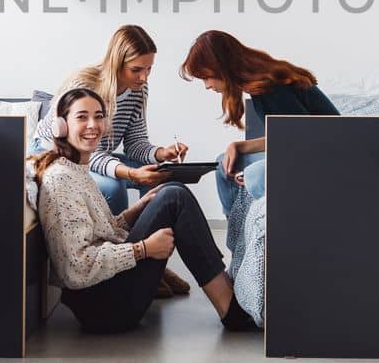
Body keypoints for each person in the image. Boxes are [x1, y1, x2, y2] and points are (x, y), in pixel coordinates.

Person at [31, 87, 258, 334]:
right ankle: (231, 309)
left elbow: (101, 233)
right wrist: (144, 249)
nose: (93, 124)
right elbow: (77, 268)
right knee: (174, 196)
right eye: (82, 117)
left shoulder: (75, 169)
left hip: (105, 294)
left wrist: (136, 210)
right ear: (61, 126)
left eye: (98, 116)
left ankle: (228, 293)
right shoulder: (62, 179)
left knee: (169, 190)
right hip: (103, 308)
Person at [180, 30, 339, 215]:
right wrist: (239, 146)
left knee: (255, 175)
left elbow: (303, 141)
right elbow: (284, 136)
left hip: (326, 155)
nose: (207, 85)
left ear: (221, 67)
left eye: (206, 77)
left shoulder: (272, 87)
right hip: (305, 148)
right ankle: (238, 235)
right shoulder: (258, 87)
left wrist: (250, 173)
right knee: (223, 162)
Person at [32, 25, 187, 215]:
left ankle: (146, 237)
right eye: (136, 70)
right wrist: (130, 173)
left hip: (94, 154)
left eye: (149, 69)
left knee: (160, 175)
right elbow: (81, 152)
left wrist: (162, 154)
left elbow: (135, 144)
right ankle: (115, 243)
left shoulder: (138, 90)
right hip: (58, 153)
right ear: (116, 63)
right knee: (113, 188)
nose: (144, 77)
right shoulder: (85, 86)